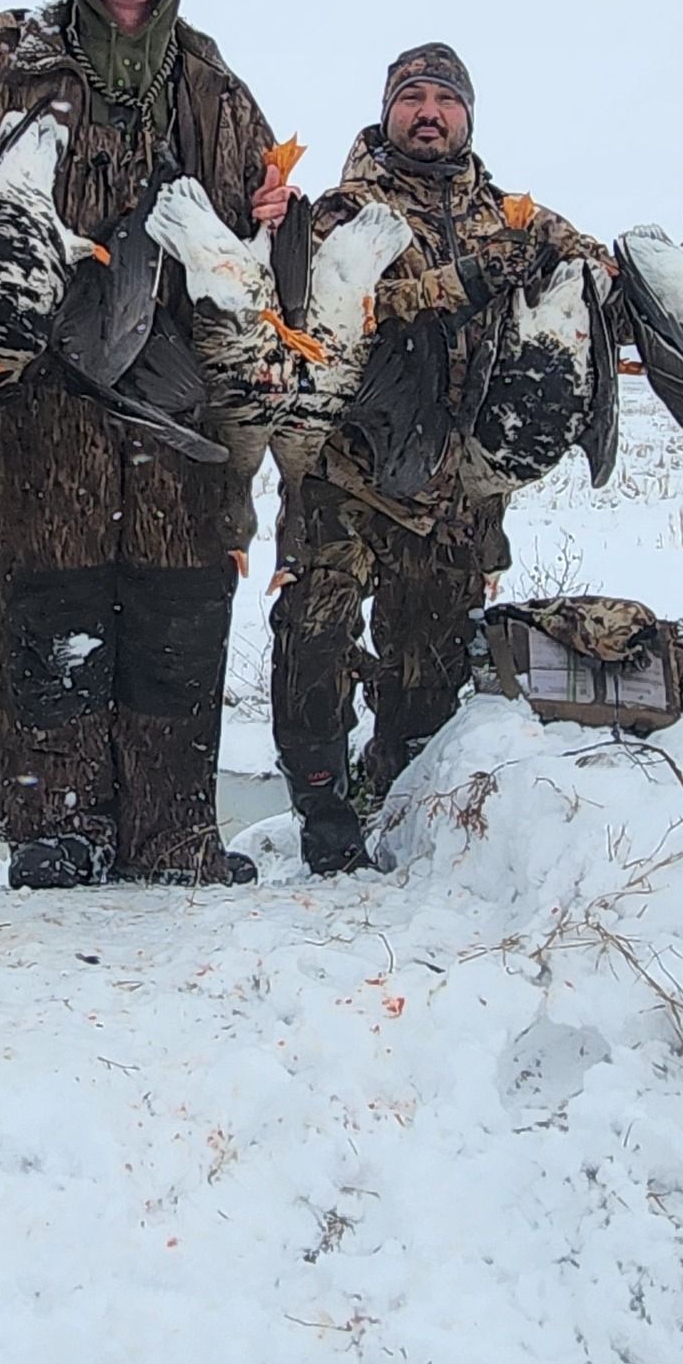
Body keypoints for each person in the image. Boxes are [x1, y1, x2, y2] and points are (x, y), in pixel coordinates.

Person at [0, 0, 286, 890]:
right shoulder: (3, 65)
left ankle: (173, 827)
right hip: (41, 389)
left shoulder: (211, 86)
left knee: (177, 595)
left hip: (174, 395)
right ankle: (59, 818)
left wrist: (271, 218)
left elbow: (255, 236)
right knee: (49, 590)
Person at [270, 42, 613, 872]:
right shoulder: (337, 212)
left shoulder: (515, 214)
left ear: (466, 116)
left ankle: (402, 802)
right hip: (348, 468)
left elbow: (601, 283)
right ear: (387, 111)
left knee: (426, 668)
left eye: (444, 100)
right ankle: (320, 803)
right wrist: (459, 283)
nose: (428, 112)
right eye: (412, 97)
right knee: (312, 641)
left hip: (458, 482)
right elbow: (341, 307)